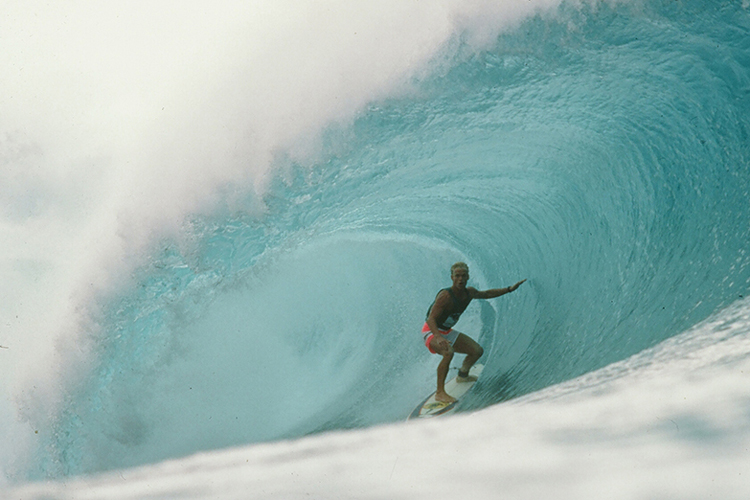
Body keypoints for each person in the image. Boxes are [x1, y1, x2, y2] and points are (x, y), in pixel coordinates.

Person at [423, 262, 526, 404]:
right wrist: (438, 336)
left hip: (446, 331)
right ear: (452, 277)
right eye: (457, 276)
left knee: (477, 351)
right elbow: (431, 319)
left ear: (468, 277)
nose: (460, 279)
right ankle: (440, 393)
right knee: (448, 352)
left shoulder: (469, 292)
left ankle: (463, 374)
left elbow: (487, 294)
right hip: (431, 331)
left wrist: (509, 289)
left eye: (463, 276)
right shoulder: (445, 296)